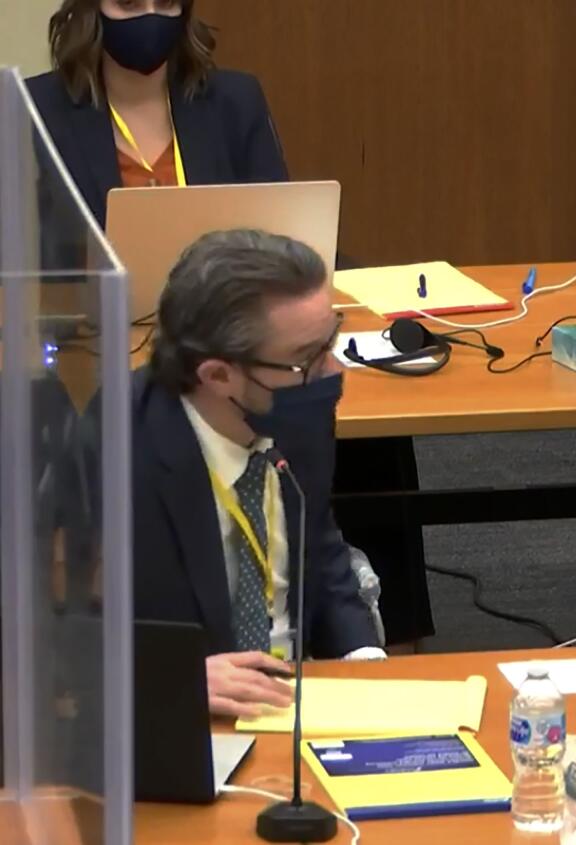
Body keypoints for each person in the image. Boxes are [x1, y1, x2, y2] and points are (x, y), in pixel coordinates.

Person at [131, 229, 384, 717]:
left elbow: (317, 539)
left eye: (330, 342)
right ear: (218, 375)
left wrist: (363, 656)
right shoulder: (115, 456)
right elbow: (55, 640)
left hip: (300, 705)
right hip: (187, 721)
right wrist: (167, 681)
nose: (332, 371)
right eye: (308, 359)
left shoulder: (290, 405)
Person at [27, 0, 286, 227]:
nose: (150, 18)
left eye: (165, 3)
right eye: (128, 3)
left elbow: (280, 232)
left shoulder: (236, 102)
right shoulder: (36, 110)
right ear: (92, 9)